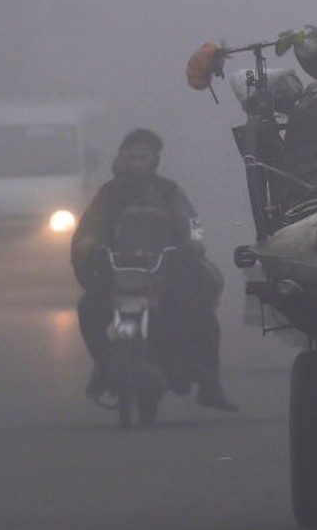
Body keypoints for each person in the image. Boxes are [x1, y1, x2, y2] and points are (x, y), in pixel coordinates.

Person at [71, 128, 237, 412]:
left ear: (154, 160)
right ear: (121, 159)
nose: (136, 161)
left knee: (201, 314)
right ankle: (104, 364)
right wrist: (89, 245)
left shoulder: (169, 191)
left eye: (142, 156)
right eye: (130, 156)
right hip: (117, 273)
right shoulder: (109, 193)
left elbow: (191, 221)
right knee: (88, 309)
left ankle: (210, 385)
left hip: (166, 270)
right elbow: (90, 227)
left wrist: (193, 244)